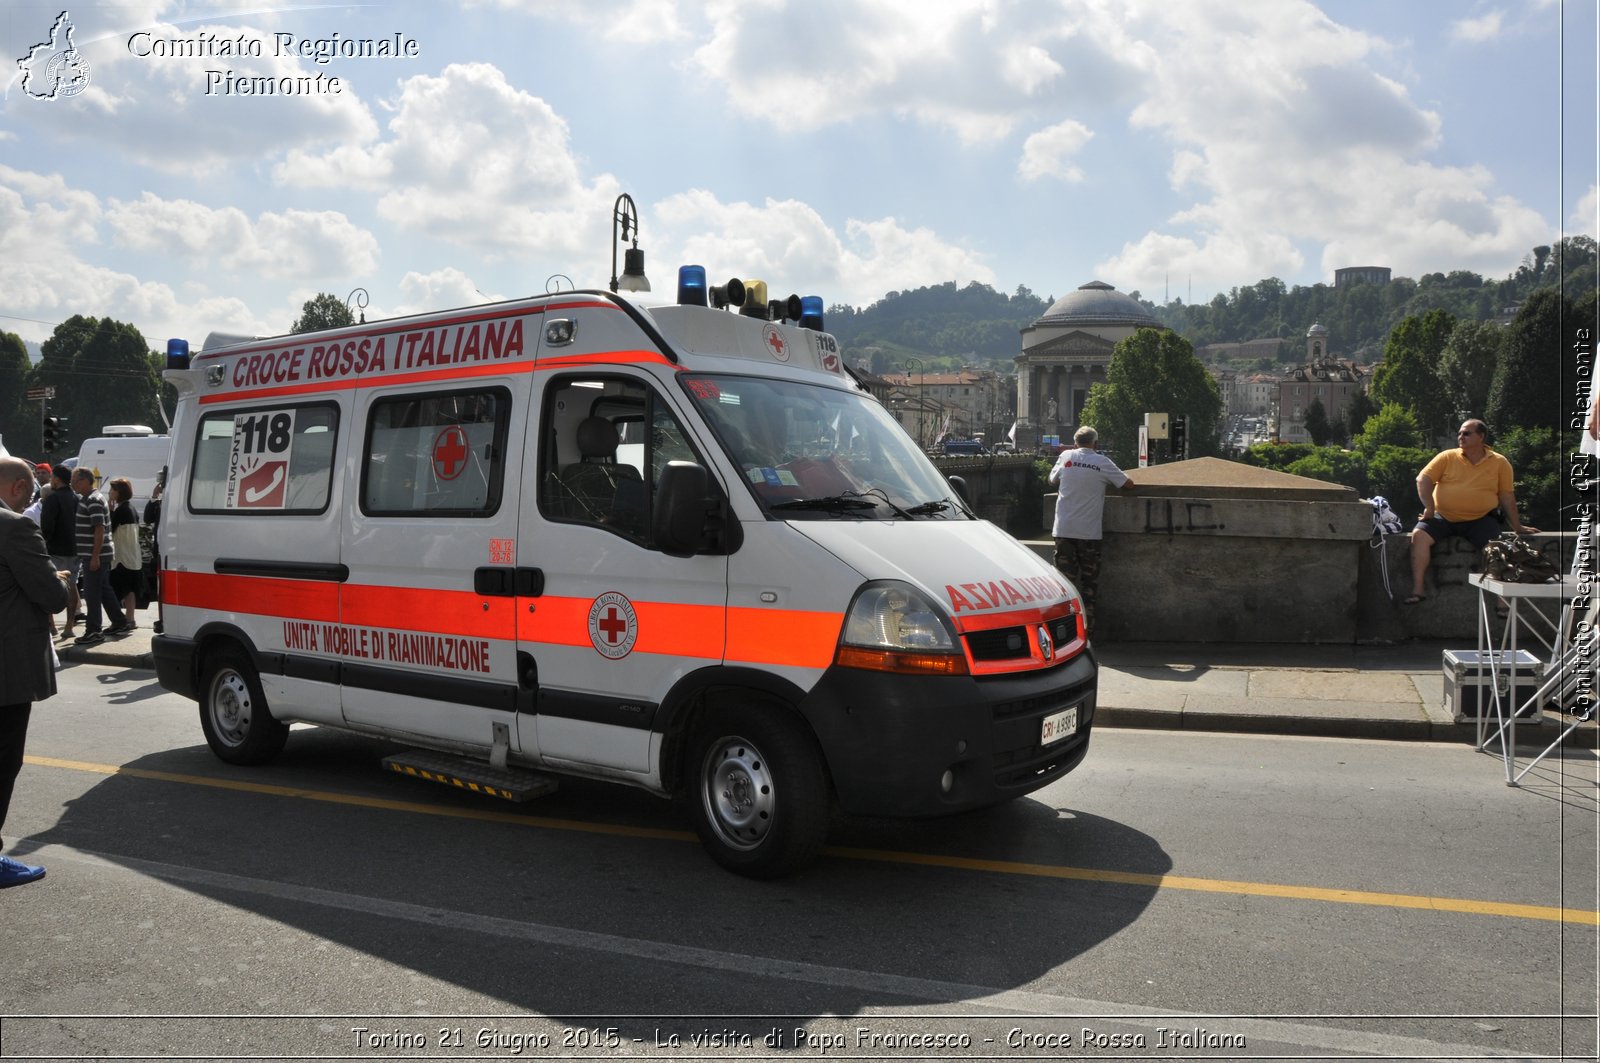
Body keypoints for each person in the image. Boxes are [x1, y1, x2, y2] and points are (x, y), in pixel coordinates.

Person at [0, 456, 71, 888]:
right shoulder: (14, 527)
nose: (32, 500)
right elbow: (51, 595)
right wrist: (60, 580)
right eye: (30, 491)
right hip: (6, 671)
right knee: (3, 761)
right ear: (15, 488)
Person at [1406, 418, 1538, 604]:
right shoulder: (1447, 457)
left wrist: (1517, 526)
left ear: (1481, 437)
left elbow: (1507, 497)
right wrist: (1429, 507)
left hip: (1480, 519)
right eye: (1460, 433)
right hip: (1443, 517)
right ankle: (1418, 590)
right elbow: (1423, 480)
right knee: (1419, 536)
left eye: (1466, 433)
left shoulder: (1500, 462)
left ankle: (1502, 600)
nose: (1461, 437)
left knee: (1497, 549)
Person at [1048, 425, 1133, 635]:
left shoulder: (1066, 456)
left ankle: (1061, 632)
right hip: (1089, 535)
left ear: (1075, 443)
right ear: (1096, 444)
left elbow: (1052, 480)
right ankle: (1086, 631)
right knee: (1088, 586)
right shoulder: (1102, 462)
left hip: (1064, 530)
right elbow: (1128, 484)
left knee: (1063, 586)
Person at [71, 468, 126, 645]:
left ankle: (93, 631)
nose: (73, 484)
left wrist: (95, 556)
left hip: (96, 555)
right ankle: (120, 622)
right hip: (99, 554)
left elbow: (99, 529)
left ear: (86, 481)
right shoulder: (90, 498)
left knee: (92, 593)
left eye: (76, 480)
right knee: (103, 589)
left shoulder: (93, 500)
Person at [38, 467, 80, 639]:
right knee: (72, 586)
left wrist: (43, 543)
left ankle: (52, 625)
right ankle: (69, 625)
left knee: (49, 586)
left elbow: (46, 526)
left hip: (55, 550)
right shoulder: (77, 498)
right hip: (75, 548)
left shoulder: (53, 498)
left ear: (56, 479)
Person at [107, 477, 142, 630]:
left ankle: (123, 620)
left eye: (113, 489)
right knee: (130, 589)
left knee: (121, 589)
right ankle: (130, 618)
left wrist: (109, 511)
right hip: (132, 556)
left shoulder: (121, 510)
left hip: (121, 557)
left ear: (119, 492)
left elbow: (109, 529)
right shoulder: (131, 508)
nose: (110, 492)